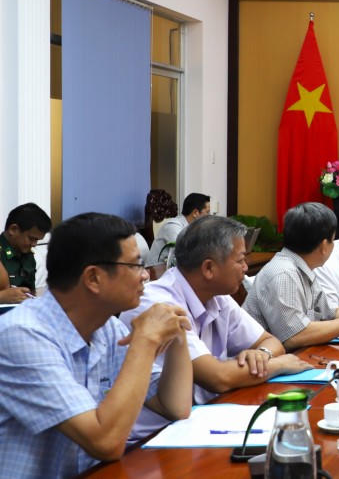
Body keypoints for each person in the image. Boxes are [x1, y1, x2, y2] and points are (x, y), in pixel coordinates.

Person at [0, 212, 193, 478]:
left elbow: (175, 406)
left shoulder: (107, 327)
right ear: (93, 278)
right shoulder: (23, 335)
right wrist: (146, 341)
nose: (145, 276)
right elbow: (105, 443)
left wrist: (177, 333)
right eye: (135, 265)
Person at [121, 215, 311, 442]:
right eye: (240, 260)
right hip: (151, 438)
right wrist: (278, 365)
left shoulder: (217, 296)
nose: (246, 267)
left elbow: (271, 342)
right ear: (209, 268)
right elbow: (217, 377)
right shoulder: (158, 304)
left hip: (201, 420)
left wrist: (262, 355)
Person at [242, 203, 339, 351]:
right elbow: (294, 336)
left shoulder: (303, 268)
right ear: (324, 246)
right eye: (332, 240)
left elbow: (330, 312)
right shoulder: (284, 274)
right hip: (267, 362)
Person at [0, 203, 52, 302]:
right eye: (31, 239)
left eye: (37, 240)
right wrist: (2, 297)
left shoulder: (28, 255)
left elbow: (30, 291)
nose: (34, 244)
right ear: (13, 229)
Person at [147, 193, 211, 267]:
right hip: (155, 271)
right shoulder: (173, 226)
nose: (209, 216)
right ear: (195, 213)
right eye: (207, 212)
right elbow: (185, 254)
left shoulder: (194, 228)